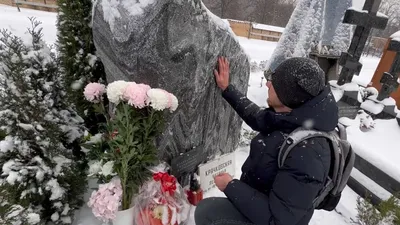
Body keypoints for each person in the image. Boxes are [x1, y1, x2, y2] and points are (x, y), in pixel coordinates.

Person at [194, 56, 339, 225]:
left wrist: (230, 186)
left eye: (274, 84)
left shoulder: (309, 154)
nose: (267, 84)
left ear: (287, 97)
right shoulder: (295, 117)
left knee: (208, 212)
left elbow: (278, 221)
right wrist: (227, 89)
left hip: (272, 219)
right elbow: (258, 118)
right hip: (261, 203)